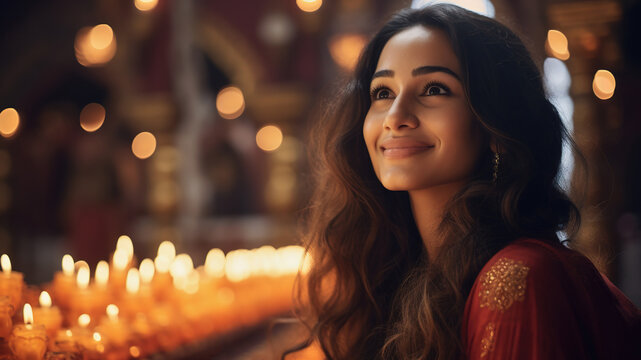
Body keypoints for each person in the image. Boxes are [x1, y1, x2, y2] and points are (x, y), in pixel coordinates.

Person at [283, 3, 641, 360]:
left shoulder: (517, 278)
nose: (395, 117)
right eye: (382, 93)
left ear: (496, 127)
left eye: (434, 89)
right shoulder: (394, 274)